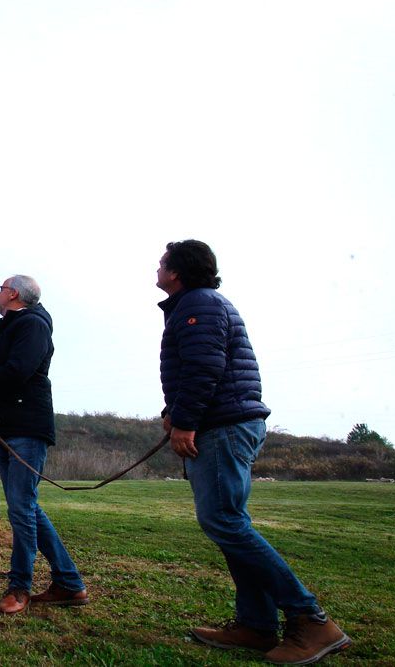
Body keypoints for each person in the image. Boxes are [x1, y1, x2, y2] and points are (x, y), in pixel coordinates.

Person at [155, 240, 349, 664]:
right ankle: (256, 625)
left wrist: (186, 421)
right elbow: (198, 369)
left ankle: (311, 619)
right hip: (223, 423)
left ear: (178, 271)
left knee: (223, 522)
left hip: (222, 428)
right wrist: (176, 411)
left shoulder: (199, 305)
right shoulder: (197, 304)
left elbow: (205, 367)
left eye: (162, 262)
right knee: (230, 524)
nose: (157, 266)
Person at [0, 275, 86, 615]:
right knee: (26, 507)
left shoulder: (32, 325)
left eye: (0, 288)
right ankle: (70, 584)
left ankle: (19, 588)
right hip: (6, 425)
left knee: (21, 509)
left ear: (13, 293)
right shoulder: (5, 327)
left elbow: (18, 370)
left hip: (26, 429)